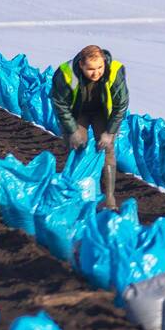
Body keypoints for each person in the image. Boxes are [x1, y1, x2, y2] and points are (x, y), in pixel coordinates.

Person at [50, 44, 129, 210]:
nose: (97, 72)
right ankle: (77, 196)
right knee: (78, 147)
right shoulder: (66, 74)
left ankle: (109, 199)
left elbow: (120, 104)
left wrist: (110, 132)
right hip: (76, 112)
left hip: (102, 112)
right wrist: (72, 130)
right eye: (91, 69)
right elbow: (60, 104)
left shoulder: (114, 71)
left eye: (100, 67)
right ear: (81, 65)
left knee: (107, 150)